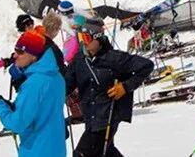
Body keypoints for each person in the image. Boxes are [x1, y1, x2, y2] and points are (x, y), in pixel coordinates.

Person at [65, 18, 153, 157]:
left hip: (107, 118)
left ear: (98, 38)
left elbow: (146, 66)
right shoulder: (79, 60)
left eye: (87, 38)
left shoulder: (114, 58)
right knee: (106, 152)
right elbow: (66, 84)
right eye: (81, 37)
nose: (83, 42)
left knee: (82, 154)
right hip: (90, 118)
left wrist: (125, 87)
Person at [0, 30, 67, 157]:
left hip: (37, 150)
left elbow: (17, 123)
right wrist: (11, 106)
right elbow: (41, 111)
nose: (15, 55)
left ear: (34, 56)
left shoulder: (34, 83)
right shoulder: (56, 77)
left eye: (21, 52)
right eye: (15, 50)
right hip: (56, 149)